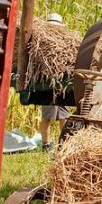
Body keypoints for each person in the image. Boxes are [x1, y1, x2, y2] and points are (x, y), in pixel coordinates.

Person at [38, 12, 69, 151]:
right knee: (48, 116)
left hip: (61, 83)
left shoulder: (64, 42)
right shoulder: (42, 41)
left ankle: (63, 144)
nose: (54, 29)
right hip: (47, 83)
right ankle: (45, 144)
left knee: (64, 115)